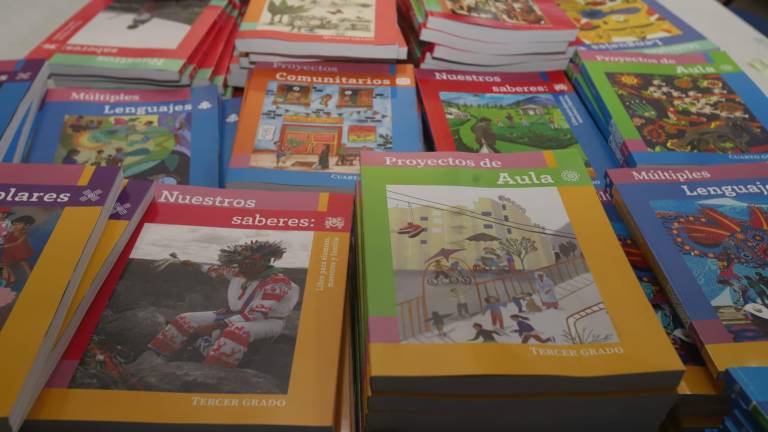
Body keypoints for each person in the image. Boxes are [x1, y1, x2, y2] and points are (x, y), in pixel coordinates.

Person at [148, 240, 300, 368]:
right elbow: (214, 270)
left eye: (247, 264)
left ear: (263, 263)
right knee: (185, 318)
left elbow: (257, 313)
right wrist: (193, 264)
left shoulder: (278, 283)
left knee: (237, 331)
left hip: (267, 320)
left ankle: (214, 369)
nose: (241, 268)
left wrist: (214, 326)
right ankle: (161, 355)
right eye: (240, 264)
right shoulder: (242, 273)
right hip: (236, 315)